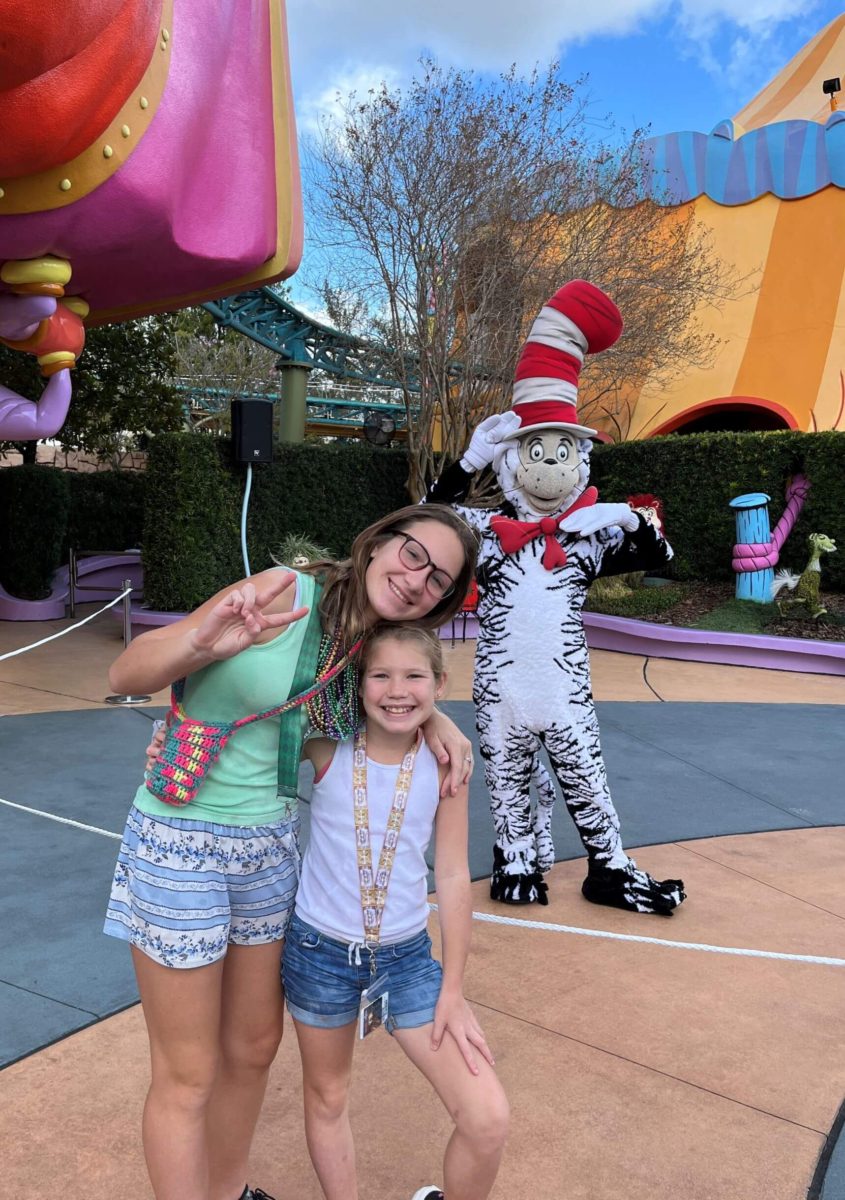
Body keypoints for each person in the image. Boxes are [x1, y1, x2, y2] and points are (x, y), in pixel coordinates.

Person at [103, 504, 479, 1200]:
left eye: (439, 581)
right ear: (378, 543)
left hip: (270, 847)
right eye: (413, 554)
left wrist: (442, 723)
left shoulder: (366, 648)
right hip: (182, 840)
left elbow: (397, 688)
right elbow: (127, 674)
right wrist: (202, 647)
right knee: (187, 1072)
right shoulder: (282, 591)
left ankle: (228, 1190)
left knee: (251, 1050)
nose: (417, 578)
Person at [285, 624, 509, 1200]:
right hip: (318, 956)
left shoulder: (446, 768)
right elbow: (273, 714)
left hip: (409, 963)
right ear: (358, 685)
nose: (396, 690)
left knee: (486, 1117)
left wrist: (453, 988)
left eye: (414, 677)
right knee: (328, 1097)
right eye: (380, 675)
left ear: (439, 683)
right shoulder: (326, 748)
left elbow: (455, 875)